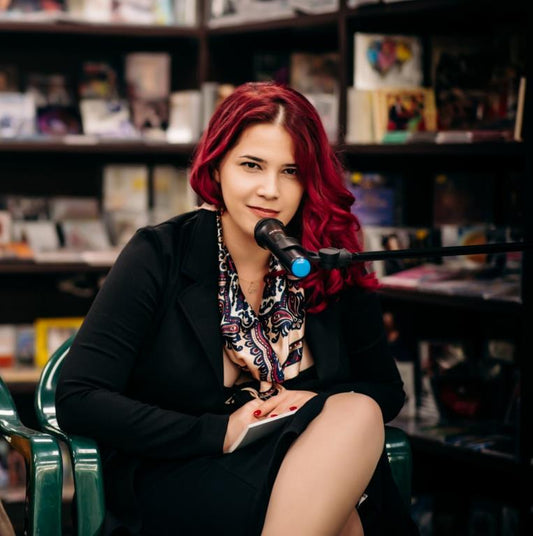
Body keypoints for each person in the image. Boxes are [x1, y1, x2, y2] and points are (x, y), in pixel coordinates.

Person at [56, 82, 419, 535]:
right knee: (345, 516)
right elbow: (79, 398)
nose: (270, 190)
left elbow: (384, 389)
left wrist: (316, 405)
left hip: (304, 463)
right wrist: (220, 432)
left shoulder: (327, 257)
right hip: (185, 471)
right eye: (252, 165)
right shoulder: (160, 253)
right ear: (218, 164)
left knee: (355, 415)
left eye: (291, 171)